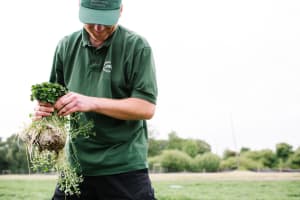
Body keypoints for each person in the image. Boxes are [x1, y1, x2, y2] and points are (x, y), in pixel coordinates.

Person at [33, 0, 158, 199]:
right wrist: (44, 114)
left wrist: (92, 102)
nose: (98, 28)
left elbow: (146, 107)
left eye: (105, 20)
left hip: (124, 166)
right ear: (80, 10)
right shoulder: (66, 46)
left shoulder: (137, 46)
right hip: (76, 166)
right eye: (91, 20)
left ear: (120, 11)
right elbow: (54, 102)